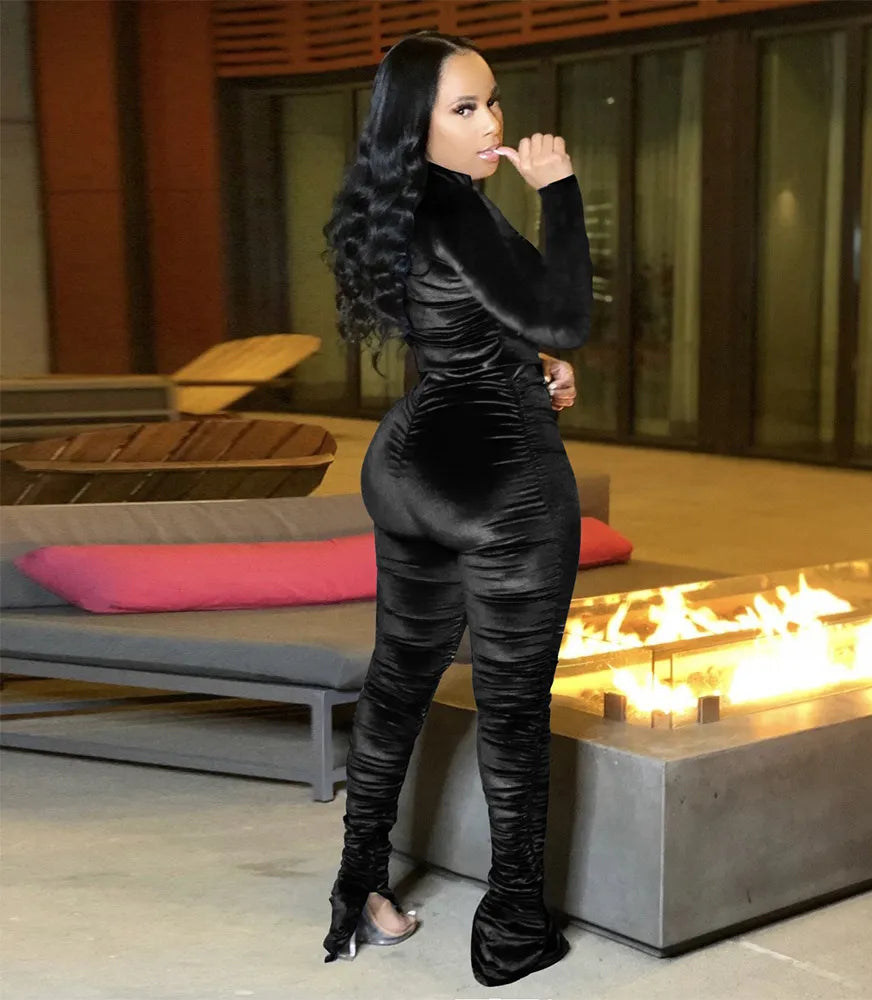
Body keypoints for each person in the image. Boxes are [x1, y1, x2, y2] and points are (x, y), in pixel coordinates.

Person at [321, 28, 592, 988]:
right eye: (464, 108)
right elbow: (565, 315)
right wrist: (560, 191)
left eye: (494, 102)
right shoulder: (461, 207)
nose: (492, 126)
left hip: (410, 468)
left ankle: (359, 890)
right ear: (418, 124)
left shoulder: (403, 201)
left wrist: (531, 366)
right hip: (497, 484)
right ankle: (511, 930)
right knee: (512, 712)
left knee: (398, 682)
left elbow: (464, 326)